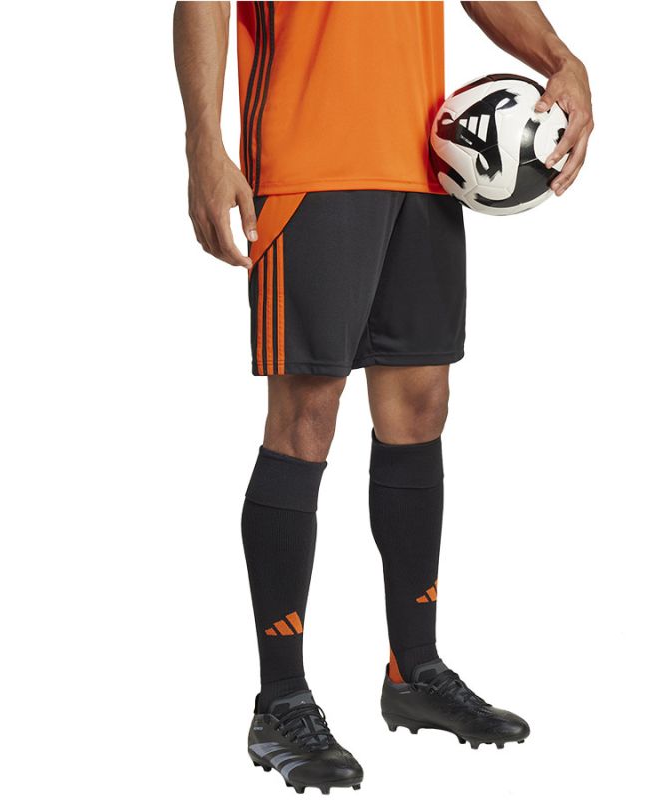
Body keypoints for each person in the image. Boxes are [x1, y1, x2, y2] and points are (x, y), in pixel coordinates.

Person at [173, 1, 593, 793]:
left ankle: (415, 669)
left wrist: (560, 58)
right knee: (306, 417)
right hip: (309, 157)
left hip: (425, 160)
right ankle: (280, 702)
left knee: (420, 408)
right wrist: (203, 140)